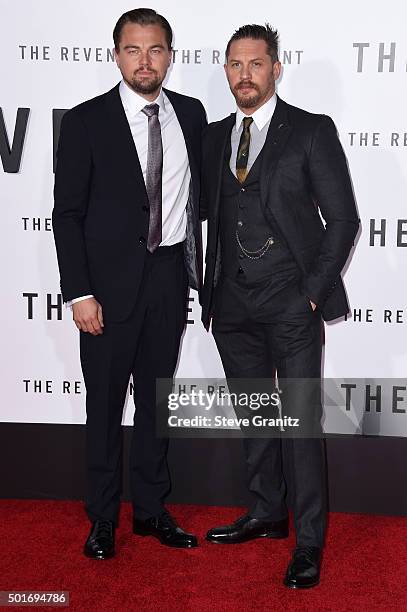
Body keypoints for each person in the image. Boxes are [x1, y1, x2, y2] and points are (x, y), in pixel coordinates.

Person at [200, 24, 359, 588]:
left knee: (299, 425)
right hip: (232, 303)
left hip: (292, 302)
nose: (245, 74)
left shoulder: (311, 131)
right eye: (235, 64)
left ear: (276, 69)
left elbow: (343, 220)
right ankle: (267, 512)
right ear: (226, 71)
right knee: (257, 418)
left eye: (256, 64)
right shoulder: (215, 136)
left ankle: (308, 541)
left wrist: (312, 292)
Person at [53, 8, 206, 559]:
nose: (146, 61)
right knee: (104, 407)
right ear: (116, 55)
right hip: (106, 293)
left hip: (167, 280)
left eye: (156, 49)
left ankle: (150, 510)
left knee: (156, 407)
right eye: (133, 50)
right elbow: (66, 214)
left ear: (170, 54)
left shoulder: (190, 114)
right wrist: (80, 291)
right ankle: (102, 518)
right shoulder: (86, 121)